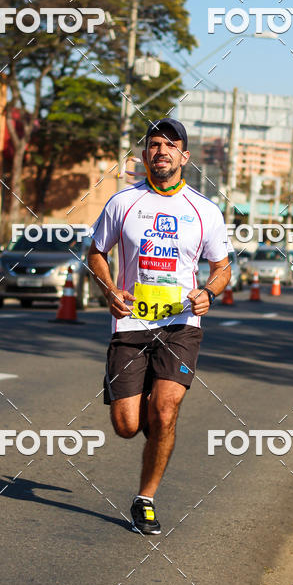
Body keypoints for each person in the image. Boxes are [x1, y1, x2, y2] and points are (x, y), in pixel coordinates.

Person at [87, 119, 231, 535]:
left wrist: (210, 292)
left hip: (180, 326)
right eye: (154, 144)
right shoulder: (123, 202)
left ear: (185, 157)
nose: (162, 150)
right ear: (145, 155)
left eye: (171, 145)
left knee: (166, 410)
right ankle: (148, 416)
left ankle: (144, 499)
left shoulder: (204, 211)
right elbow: (96, 251)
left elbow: (222, 268)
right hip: (130, 323)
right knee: (127, 426)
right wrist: (108, 288)